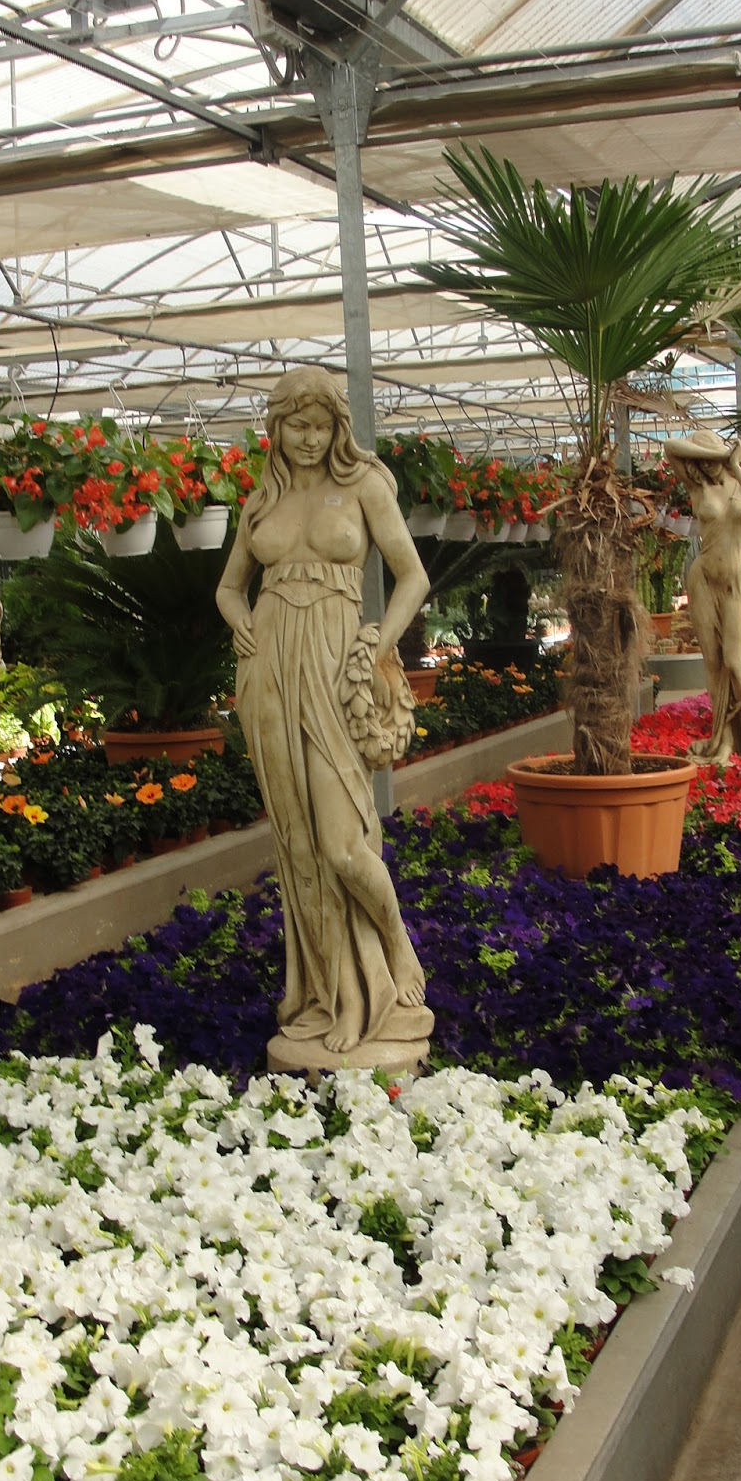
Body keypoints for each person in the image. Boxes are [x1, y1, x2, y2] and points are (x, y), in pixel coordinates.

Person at [216, 367, 434, 1057]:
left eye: (321, 426)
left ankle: (394, 946)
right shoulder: (262, 501)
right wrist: (239, 619)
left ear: (339, 428)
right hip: (270, 670)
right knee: (299, 841)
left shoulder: (364, 485)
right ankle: (336, 994)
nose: (309, 439)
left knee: (341, 844)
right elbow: (228, 587)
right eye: (296, 426)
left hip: (336, 664)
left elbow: (413, 575)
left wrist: (380, 646)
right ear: (276, 429)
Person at [663, 430, 741, 767]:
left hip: (736, 579)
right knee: (713, 663)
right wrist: (718, 456)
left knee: (733, 659)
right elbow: (670, 447)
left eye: (712, 459)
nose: (708, 466)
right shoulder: (697, 487)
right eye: (703, 460)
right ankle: (723, 739)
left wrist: (736, 468)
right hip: (703, 579)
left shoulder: (740, 486)